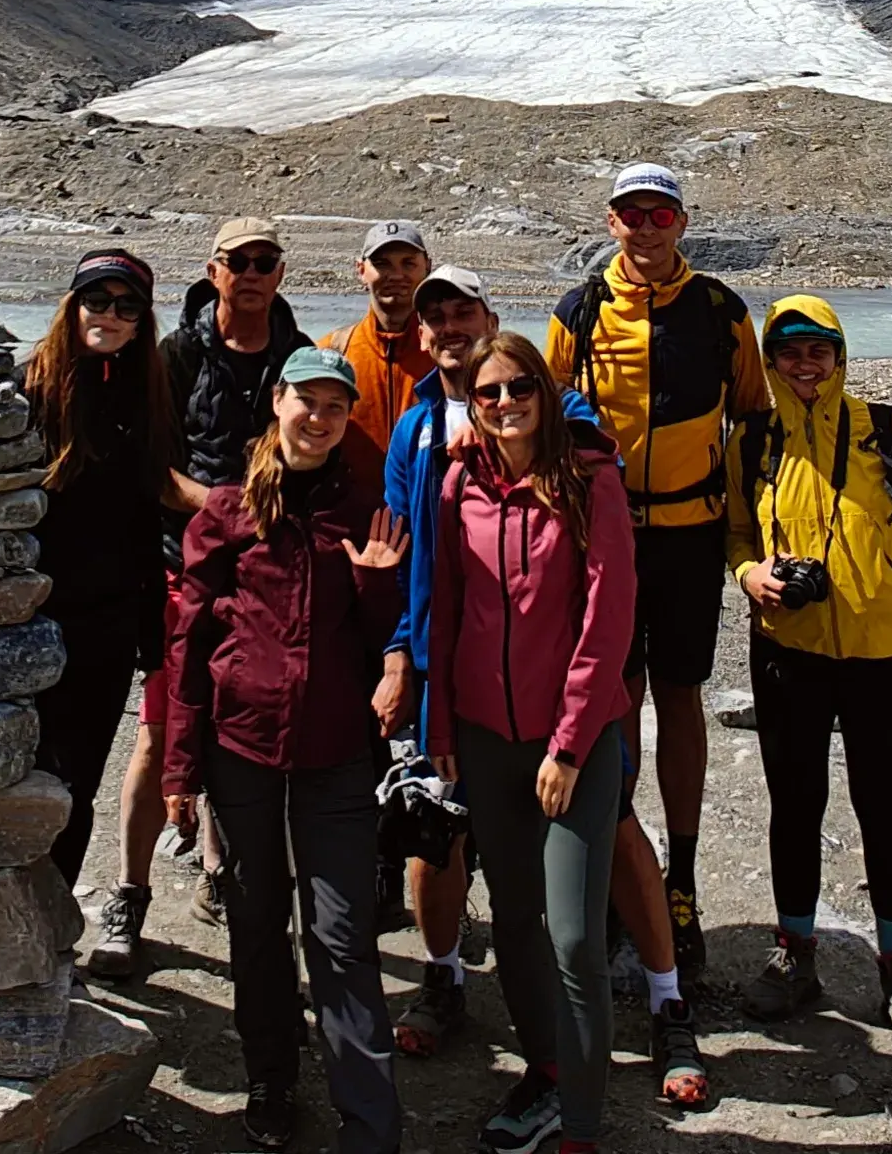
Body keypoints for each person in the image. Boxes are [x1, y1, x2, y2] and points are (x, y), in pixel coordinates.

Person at [539, 161, 764, 1107]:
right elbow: (543, 415)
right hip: (606, 535)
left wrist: (757, 539)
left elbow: (753, 420)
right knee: (614, 697)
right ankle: (617, 864)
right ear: (612, 221)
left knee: (680, 694)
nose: (646, 225)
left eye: (660, 212)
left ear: (681, 220)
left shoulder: (719, 310)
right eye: (632, 212)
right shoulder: (580, 308)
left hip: (689, 534)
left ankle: (681, 875)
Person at [165, 349, 411, 1154]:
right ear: (278, 401)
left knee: (340, 936)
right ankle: (271, 1079)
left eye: (336, 407)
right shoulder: (228, 511)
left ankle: (369, 1122)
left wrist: (376, 583)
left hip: (336, 752)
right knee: (257, 922)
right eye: (308, 400)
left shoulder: (365, 510)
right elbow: (188, 643)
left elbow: (386, 640)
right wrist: (179, 765)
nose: (320, 418)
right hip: (241, 747)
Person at [422, 330, 636, 1154]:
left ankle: (580, 1126)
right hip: (484, 738)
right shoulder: (457, 485)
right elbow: (444, 608)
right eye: (489, 393)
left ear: (545, 393)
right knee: (513, 918)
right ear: (472, 404)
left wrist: (570, 746)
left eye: (519, 388)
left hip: (573, 745)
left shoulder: (590, 480)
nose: (506, 403)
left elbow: (607, 620)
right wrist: (441, 727)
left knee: (575, 939)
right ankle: (546, 1073)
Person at [726, 295, 892, 1042]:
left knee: (884, 809)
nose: (805, 364)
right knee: (794, 806)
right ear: (770, 362)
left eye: (818, 350)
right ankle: (795, 952)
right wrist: (751, 574)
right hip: (788, 653)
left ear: (840, 356)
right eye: (789, 352)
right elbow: (735, 534)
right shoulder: (753, 441)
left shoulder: (887, 433)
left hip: (884, 658)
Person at [131, 216, 316, 943]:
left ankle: (222, 867)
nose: (252, 274)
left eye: (265, 262)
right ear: (214, 272)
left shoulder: (298, 354)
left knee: (244, 719)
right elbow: (155, 460)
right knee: (164, 724)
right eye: (239, 262)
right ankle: (131, 892)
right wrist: (219, 506)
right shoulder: (178, 353)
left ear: (280, 273)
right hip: (183, 561)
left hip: (267, 571)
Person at [22, 248, 178, 892]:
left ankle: (53, 917)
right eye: (96, 300)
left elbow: (146, 520)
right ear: (73, 306)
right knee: (20, 773)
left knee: (78, 780)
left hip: (108, 622)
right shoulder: (28, 389)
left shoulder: (144, 395)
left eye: (126, 306)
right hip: (29, 615)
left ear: (141, 322)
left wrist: (152, 633)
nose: (109, 315)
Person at [330, 220, 439, 413]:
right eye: (382, 264)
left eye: (408, 263)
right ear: (361, 270)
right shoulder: (332, 354)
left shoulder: (447, 353)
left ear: (427, 267)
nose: (396, 275)